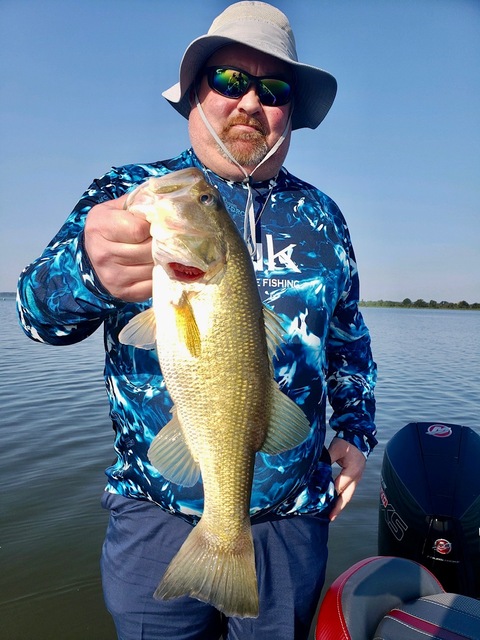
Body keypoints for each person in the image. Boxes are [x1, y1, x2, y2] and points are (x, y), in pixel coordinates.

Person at [17, 2, 377, 639]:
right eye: (229, 81)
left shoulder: (324, 216)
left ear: (290, 111)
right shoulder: (130, 192)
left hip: (293, 518)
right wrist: (85, 271)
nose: (248, 102)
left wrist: (356, 428)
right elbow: (36, 316)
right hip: (153, 511)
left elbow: (349, 338)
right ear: (192, 95)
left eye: (273, 89)